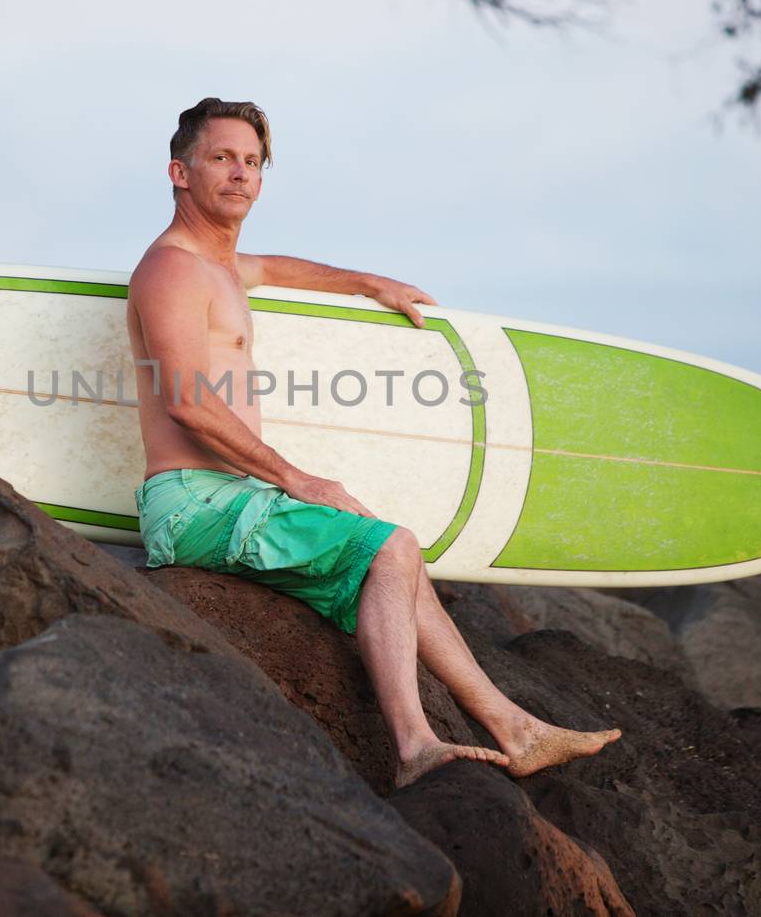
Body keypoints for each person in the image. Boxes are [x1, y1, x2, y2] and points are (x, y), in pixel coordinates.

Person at [126, 97, 620, 788]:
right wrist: (297, 477)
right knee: (391, 545)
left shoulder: (222, 266)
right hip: (191, 506)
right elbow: (186, 399)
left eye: (252, 162)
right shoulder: (172, 269)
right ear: (179, 172)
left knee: (395, 561)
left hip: (232, 498)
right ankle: (415, 744)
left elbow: (279, 268)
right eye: (221, 158)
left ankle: (517, 729)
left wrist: (368, 283)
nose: (240, 174)